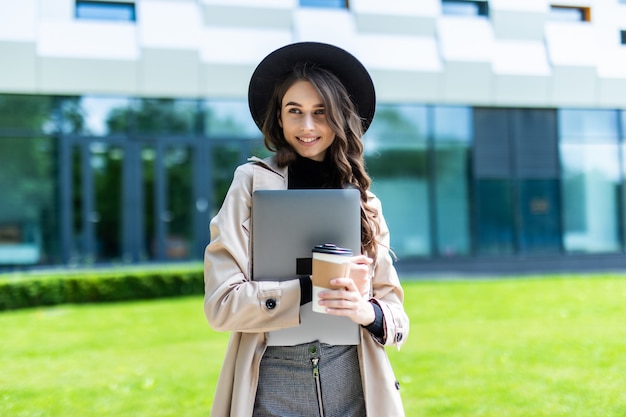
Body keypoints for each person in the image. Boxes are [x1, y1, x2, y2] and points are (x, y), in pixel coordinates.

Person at [204, 41, 409, 417]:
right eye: (294, 111)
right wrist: (310, 286)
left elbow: (396, 314)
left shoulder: (365, 201)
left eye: (321, 112)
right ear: (279, 119)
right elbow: (221, 306)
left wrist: (368, 312)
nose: (308, 126)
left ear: (340, 117)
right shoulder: (250, 184)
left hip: (355, 381)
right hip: (272, 381)